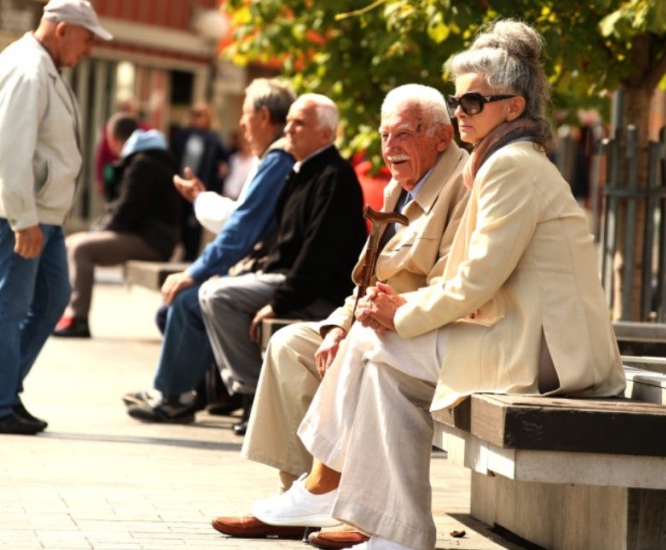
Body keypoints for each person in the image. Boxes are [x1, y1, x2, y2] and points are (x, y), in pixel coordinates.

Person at [242, 20, 627, 550]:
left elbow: (474, 280)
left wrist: (398, 314)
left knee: (372, 340)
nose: (460, 112)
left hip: (547, 353)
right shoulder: (499, 163)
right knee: (382, 372)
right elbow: (466, 280)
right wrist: (395, 309)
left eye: (473, 102)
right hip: (521, 336)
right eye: (458, 101)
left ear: (513, 107)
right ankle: (397, 532)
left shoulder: (511, 166)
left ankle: (322, 485)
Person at [211, 83, 470, 545]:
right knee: (291, 344)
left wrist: (370, 320)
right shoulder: (397, 189)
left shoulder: (461, 187)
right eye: (384, 135)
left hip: (418, 329)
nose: (390, 147)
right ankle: (299, 494)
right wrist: (338, 325)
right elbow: (366, 278)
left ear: (442, 136)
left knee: (365, 353)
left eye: (405, 134)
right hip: (374, 320)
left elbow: (451, 287)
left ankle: (328, 496)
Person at [0, 0, 111, 435]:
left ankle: (3, 391)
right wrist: (22, 218)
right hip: (24, 215)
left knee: (52, 300)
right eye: (86, 39)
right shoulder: (29, 70)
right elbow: (9, 149)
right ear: (63, 29)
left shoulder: (42, 67)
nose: (87, 49)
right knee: (8, 308)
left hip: (41, 214)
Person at [122, 78, 297, 422]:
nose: (242, 122)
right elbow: (243, 217)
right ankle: (189, 390)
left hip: (281, 275)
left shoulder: (278, 159)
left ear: (264, 116)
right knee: (177, 305)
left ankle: (174, 396)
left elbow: (243, 227)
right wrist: (203, 200)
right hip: (268, 268)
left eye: (246, 114)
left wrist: (196, 272)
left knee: (189, 301)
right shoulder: (271, 158)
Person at [197, 93, 368, 436]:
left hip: (318, 294)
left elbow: (317, 259)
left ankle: (252, 397)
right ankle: (251, 396)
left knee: (218, 297)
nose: (288, 128)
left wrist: (277, 302)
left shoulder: (334, 177)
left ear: (326, 135)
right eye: (288, 121)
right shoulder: (300, 171)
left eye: (299, 123)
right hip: (291, 280)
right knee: (213, 291)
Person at [53, 115, 182, 338]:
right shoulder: (151, 155)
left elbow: (125, 212)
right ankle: (67, 311)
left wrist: (96, 231)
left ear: (113, 140)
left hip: (151, 241)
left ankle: (78, 317)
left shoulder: (142, 163)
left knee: (81, 248)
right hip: (153, 237)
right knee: (73, 243)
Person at [171, 101, 230, 261]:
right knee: (178, 222)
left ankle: (190, 258)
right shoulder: (183, 135)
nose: (197, 118)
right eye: (194, 114)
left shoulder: (214, 139)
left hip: (200, 188)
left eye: (201, 114)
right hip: (180, 187)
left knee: (194, 225)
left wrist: (221, 174)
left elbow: (224, 162)